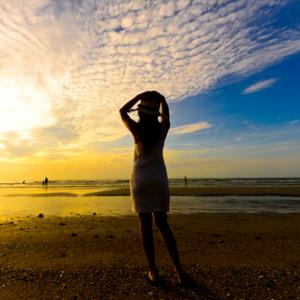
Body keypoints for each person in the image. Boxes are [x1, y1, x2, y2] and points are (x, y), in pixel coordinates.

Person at [120, 91, 188, 286]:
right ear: (155, 114)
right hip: (158, 179)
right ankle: (180, 273)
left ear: (140, 113)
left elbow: (122, 111)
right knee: (163, 225)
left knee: (145, 225)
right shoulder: (162, 129)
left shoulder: (136, 130)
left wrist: (138, 95)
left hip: (141, 180)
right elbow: (167, 118)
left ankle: (154, 271)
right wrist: (163, 101)